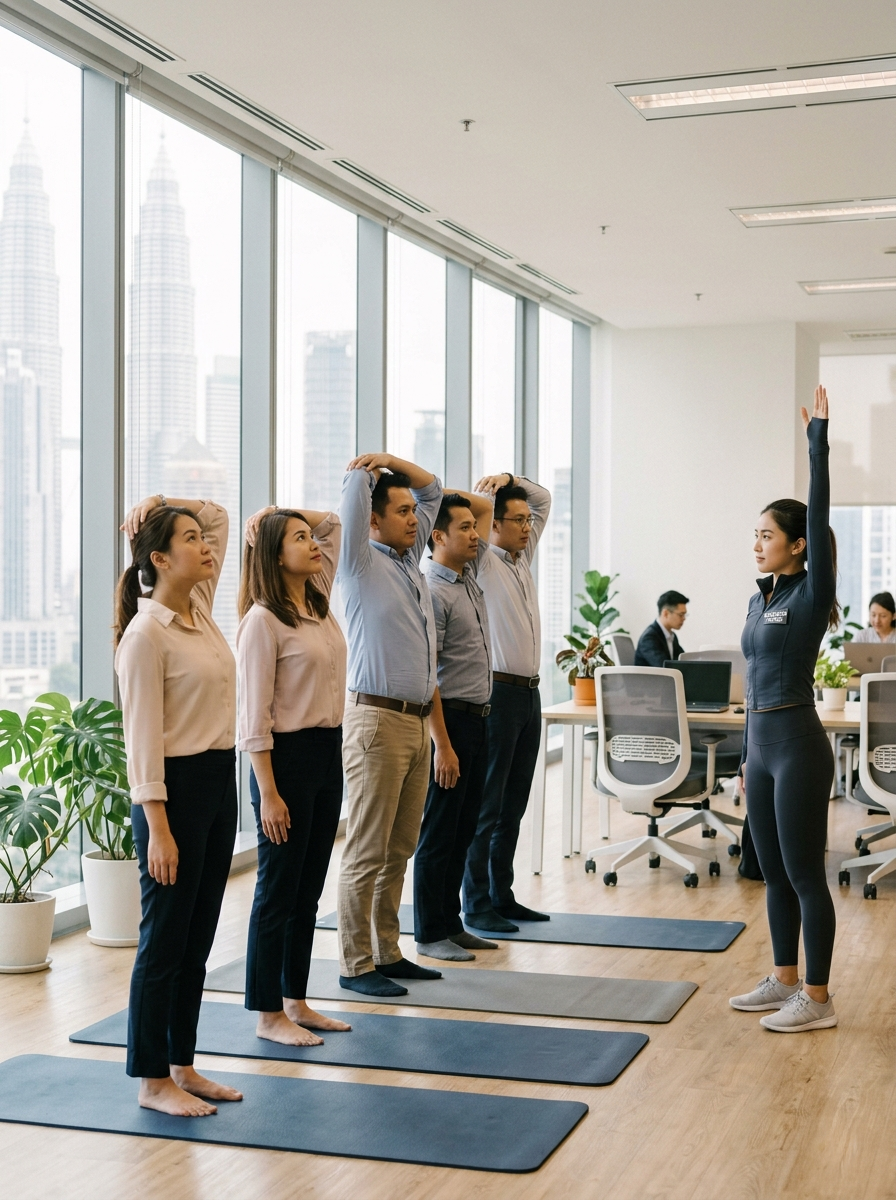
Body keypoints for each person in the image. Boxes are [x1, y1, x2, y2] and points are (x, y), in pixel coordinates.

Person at [115, 495, 243, 1117]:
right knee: (164, 936)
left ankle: (181, 1062)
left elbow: (216, 516)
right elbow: (141, 744)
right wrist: (159, 828)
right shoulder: (145, 636)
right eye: (188, 539)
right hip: (172, 793)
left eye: (203, 539)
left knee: (197, 935)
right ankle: (149, 1078)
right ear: (160, 558)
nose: (206, 544)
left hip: (219, 782)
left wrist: (166, 504)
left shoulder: (198, 611)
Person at [730, 385, 839, 1033]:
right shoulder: (758, 599)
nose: (758, 544)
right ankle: (785, 979)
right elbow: (751, 684)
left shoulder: (810, 590)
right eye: (755, 535)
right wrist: (745, 759)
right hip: (762, 749)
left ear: (799, 544)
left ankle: (819, 1000)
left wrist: (817, 443)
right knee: (770, 871)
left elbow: (819, 507)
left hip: (798, 743)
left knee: (803, 873)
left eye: (767, 535)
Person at [237, 505, 352, 1047]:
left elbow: (331, 522)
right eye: (298, 538)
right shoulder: (263, 620)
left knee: (308, 890)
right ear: (273, 554)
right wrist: (268, 793)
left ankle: (295, 999)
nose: (313, 543)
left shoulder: (319, 606)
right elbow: (253, 717)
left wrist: (289, 517)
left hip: (328, 752)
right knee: (277, 890)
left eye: (310, 539)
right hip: (284, 759)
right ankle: (267, 1013)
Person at [336, 452, 447, 997]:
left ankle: (387, 950)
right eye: (398, 511)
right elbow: (354, 498)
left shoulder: (408, 563)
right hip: (375, 721)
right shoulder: (359, 562)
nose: (412, 519)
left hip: (414, 722)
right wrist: (365, 472)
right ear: (374, 520)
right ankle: (356, 964)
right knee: (366, 848)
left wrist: (392, 462)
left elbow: (434, 491)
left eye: (412, 512)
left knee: (400, 846)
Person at [462, 473, 551, 934]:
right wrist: (486, 494)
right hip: (498, 692)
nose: (526, 526)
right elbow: (471, 514)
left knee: (514, 803)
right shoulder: (484, 562)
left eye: (526, 520)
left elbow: (544, 498)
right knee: (488, 805)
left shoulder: (522, 559)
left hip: (530, 693)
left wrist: (513, 480)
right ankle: (475, 904)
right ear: (491, 527)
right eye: (515, 520)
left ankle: (501, 894)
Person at [414, 490, 500, 961]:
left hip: (480, 718)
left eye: (474, 527)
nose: (475, 533)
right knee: (440, 831)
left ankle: (452, 922)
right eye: (463, 528)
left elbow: (485, 510)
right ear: (437, 536)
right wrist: (442, 745)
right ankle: (429, 932)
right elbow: (429, 674)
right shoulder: (433, 588)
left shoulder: (467, 578)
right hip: (451, 725)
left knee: (465, 827)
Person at [634, 591, 689, 666]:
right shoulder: (649, 638)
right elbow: (663, 667)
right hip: (651, 678)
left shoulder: (672, 636)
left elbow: (683, 662)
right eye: (681, 615)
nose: (684, 618)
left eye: (685, 615)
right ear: (665, 613)